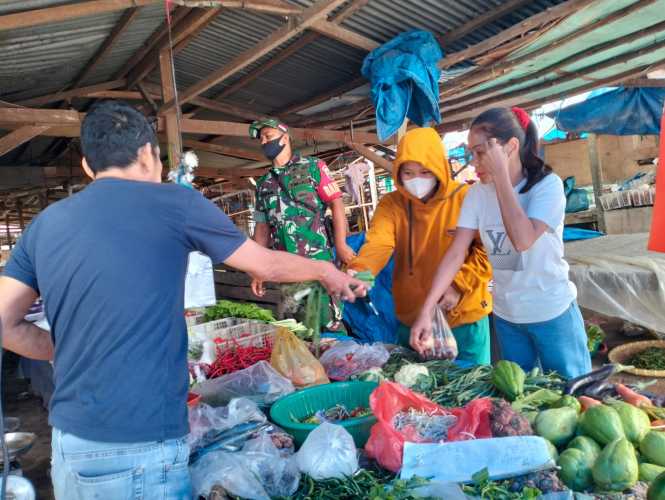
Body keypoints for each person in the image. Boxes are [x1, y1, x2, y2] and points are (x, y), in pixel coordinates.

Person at [0, 101, 366, 500]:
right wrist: (327, 270)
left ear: (88, 166)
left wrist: (63, 348)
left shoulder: (46, 224)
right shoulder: (176, 203)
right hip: (144, 441)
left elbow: (4, 322)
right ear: (148, 154)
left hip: (71, 443)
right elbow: (264, 265)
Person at [411, 107, 592, 378]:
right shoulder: (477, 195)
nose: (474, 162)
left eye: (481, 152)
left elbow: (522, 240)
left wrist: (502, 180)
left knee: (575, 395)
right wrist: (426, 310)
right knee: (521, 401)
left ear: (511, 147)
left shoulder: (547, 187)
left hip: (552, 312)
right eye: (471, 153)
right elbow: (456, 252)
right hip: (508, 317)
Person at [348, 127, 493, 365]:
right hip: (413, 319)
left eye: (426, 171)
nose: (417, 180)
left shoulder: (466, 197)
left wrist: (458, 286)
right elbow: (379, 243)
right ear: (398, 172)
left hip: (464, 316)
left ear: (440, 168)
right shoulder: (391, 204)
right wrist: (361, 273)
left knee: (473, 392)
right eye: (408, 172)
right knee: (418, 394)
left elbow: (487, 251)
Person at [249, 118, 356, 331]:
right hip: (285, 269)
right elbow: (262, 229)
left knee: (329, 328)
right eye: (260, 138)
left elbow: (336, 203)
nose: (263, 141)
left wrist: (342, 244)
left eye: (268, 136)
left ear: (285, 137)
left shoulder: (313, 168)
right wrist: (256, 268)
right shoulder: (263, 184)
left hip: (318, 265)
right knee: (298, 331)